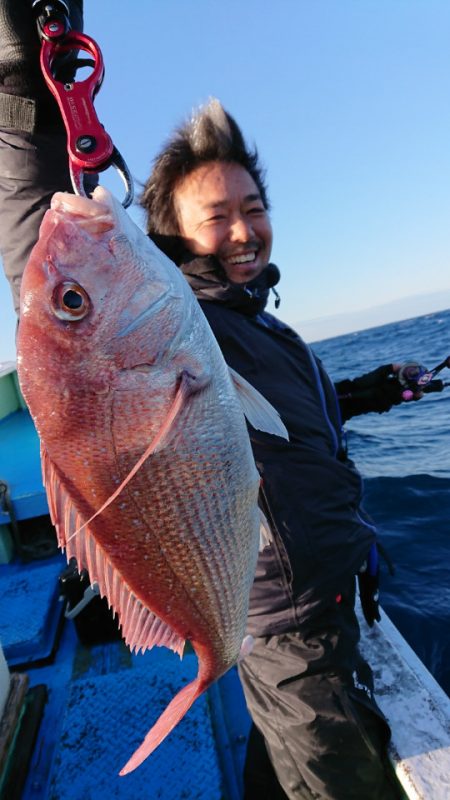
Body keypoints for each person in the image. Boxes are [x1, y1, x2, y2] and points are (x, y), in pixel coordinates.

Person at [0, 3, 413, 797]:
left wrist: (373, 388)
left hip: (332, 593)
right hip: (287, 630)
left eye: (253, 209)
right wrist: (23, 93)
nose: (243, 231)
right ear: (171, 236)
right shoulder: (186, 324)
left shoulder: (268, 333)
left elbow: (294, 426)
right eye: (216, 217)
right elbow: (37, 247)